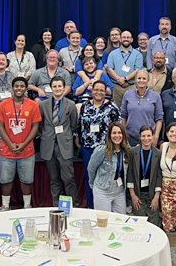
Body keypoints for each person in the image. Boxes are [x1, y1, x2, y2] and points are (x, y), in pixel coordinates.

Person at [0, 77, 42, 211]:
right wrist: (10, 144)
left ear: (26, 88)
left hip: (27, 150)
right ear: (12, 88)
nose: (19, 88)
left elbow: (35, 127)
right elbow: (0, 127)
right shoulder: (3, 105)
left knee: (27, 180)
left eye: (22, 86)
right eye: (16, 86)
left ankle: (27, 205)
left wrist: (24, 144)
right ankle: (5, 205)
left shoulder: (33, 105)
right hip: (6, 150)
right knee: (5, 180)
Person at [76, 81, 121, 209]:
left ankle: (104, 205)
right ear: (92, 90)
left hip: (106, 148)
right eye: (96, 90)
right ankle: (91, 206)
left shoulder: (112, 107)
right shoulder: (85, 105)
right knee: (89, 176)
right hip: (88, 147)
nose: (99, 92)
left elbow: (118, 127)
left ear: (105, 92)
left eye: (102, 90)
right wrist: (77, 138)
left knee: (104, 175)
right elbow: (79, 124)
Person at [39, 77, 79, 206]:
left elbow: (73, 124)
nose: (57, 89)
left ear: (64, 87)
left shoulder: (71, 104)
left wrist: (65, 135)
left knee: (69, 178)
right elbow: (40, 126)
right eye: (55, 86)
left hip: (65, 145)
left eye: (59, 86)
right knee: (54, 179)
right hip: (49, 145)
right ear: (51, 88)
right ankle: (57, 206)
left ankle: (74, 206)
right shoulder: (43, 105)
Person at [88, 122, 131, 213]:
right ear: (109, 135)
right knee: (104, 219)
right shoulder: (102, 150)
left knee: (120, 218)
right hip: (102, 191)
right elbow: (91, 168)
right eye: (114, 133)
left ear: (123, 135)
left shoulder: (127, 151)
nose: (117, 136)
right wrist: (92, 185)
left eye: (119, 133)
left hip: (119, 191)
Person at [127, 125, 162, 226]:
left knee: (154, 224)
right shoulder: (133, 152)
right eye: (143, 136)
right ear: (139, 137)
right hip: (138, 194)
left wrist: (156, 197)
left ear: (153, 136)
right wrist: (133, 195)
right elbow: (130, 174)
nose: (146, 138)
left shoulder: (158, 153)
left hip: (152, 194)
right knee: (139, 223)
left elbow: (159, 176)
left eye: (149, 136)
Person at [120, 71, 164, 145]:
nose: (141, 80)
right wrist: (124, 134)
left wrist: (156, 136)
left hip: (148, 139)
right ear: (135, 80)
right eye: (139, 78)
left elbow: (159, 118)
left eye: (144, 78)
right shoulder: (127, 94)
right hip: (130, 138)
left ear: (148, 80)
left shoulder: (155, 96)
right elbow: (123, 116)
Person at [105, 30, 143, 107]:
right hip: (116, 86)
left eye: (128, 37)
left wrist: (125, 79)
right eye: (124, 37)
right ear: (120, 39)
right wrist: (119, 80)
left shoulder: (138, 54)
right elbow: (109, 69)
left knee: (132, 108)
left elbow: (138, 70)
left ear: (132, 39)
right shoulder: (113, 54)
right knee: (116, 109)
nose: (126, 39)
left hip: (131, 86)